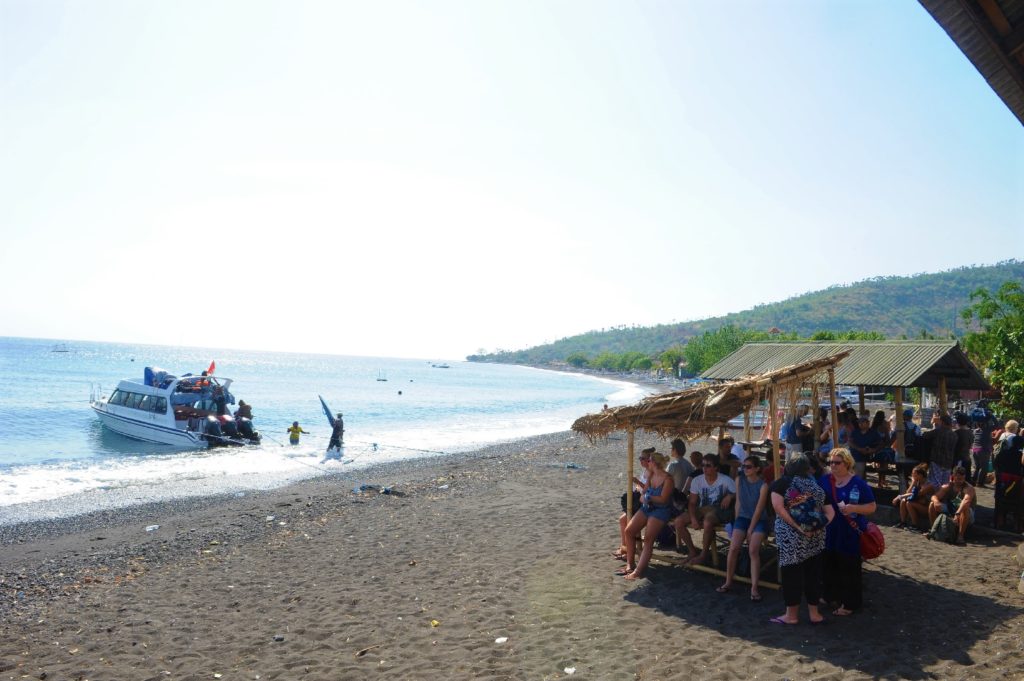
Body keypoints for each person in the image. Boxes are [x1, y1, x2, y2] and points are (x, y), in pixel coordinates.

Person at [769, 454, 834, 625]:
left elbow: (779, 508)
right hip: (815, 537)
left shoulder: (781, 484)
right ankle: (814, 614)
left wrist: (798, 527)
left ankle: (791, 616)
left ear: (788, 467)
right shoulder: (816, 487)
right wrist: (818, 527)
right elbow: (831, 512)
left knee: (791, 575)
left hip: (790, 538)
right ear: (807, 469)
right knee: (813, 575)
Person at [823, 447, 877, 617]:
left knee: (849, 568)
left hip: (849, 532)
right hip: (830, 531)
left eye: (836, 462)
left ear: (847, 463)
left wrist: (854, 508)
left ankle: (850, 604)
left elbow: (872, 507)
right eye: (830, 462)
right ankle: (831, 596)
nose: (832, 465)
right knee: (829, 565)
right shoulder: (825, 480)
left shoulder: (858, 484)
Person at [718, 454, 769, 601]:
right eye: (743, 466)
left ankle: (754, 588)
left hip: (759, 519)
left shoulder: (763, 486)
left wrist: (750, 530)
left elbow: (759, 509)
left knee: (753, 550)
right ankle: (728, 581)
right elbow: (738, 503)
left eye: (748, 467)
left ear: (757, 469)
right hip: (743, 517)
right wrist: (736, 524)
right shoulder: (739, 480)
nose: (745, 469)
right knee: (733, 548)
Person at [620, 452, 674, 580]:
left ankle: (638, 571)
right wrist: (643, 497)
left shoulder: (668, 479)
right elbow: (643, 493)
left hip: (661, 510)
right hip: (647, 507)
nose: (646, 462)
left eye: (648, 460)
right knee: (629, 531)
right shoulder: (651, 475)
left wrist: (648, 498)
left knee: (649, 539)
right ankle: (630, 564)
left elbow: (663, 499)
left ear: (654, 462)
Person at [678, 453, 736, 565]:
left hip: (719, 510)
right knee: (678, 522)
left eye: (708, 465)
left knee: (708, 522)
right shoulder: (697, 480)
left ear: (716, 468)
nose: (704, 468)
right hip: (703, 508)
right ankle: (692, 551)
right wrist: (693, 518)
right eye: (703, 465)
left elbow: (738, 493)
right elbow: (692, 502)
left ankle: (703, 554)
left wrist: (730, 496)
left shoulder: (726, 480)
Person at [614, 448, 654, 560]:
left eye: (642, 458)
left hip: (645, 503)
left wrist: (638, 483)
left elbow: (650, 490)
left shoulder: (652, 473)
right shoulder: (645, 471)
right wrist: (637, 487)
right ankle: (624, 547)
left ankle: (627, 550)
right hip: (639, 500)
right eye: (640, 458)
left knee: (625, 520)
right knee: (622, 519)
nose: (640, 460)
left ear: (649, 460)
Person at [927, 466, 976, 544]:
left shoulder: (968, 488)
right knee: (932, 504)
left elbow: (966, 501)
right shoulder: (948, 486)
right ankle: (934, 531)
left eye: (962, 479)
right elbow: (934, 496)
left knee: (965, 508)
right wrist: (936, 502)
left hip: (966, 514)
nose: (960, 481)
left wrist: (958, 513)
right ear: (953, 476)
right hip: (951, 510)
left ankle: (960, 536)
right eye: (958, 478)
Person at [993, 420, 1024, 532]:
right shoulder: (1020, 454)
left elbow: (997, 462)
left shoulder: (1004, 449)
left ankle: (999, 521)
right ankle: (1017, 524)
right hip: (1016, 479)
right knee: (1017, 501)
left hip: (1003, 476)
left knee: (1000, 498)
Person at [893, 463, 934, 530]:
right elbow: (908, 493)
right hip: (919, 503)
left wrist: (899, 497)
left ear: (920, 475)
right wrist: (913, 482)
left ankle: (915, 525)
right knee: (903, 501)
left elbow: (915, 495)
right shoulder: (917, 482)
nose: (912, 476)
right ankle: (903, 522)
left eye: (914, 474)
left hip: (927, 508)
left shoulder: (928, 485)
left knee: (909, 503)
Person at [923, 412, 958, 488]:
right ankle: (942, 495)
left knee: (934, 482)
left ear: (942, 422)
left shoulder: (938, 431)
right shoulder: (954, 435)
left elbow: (925, 435)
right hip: (948, 462)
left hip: (937, 461)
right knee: (945, 484)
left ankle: (935, 495)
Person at [848, 416, 881, 480]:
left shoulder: (873, 432)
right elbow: (850, 442)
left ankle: (857, 483)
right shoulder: (855, 432)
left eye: (862, 422)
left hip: (867, 455)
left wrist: (874, 450)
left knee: (859, 470)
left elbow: (881, 443)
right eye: (859, 422)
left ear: (868, 423)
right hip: (854, 454)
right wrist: (859, 449)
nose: (860, 424)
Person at [871, 410, 895, 489]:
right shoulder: (884, 427)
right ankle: (881, 481)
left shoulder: (873, 427)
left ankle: (880, 482)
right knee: (884, 463)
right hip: (882, 449)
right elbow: (888, 440)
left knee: (880, 463)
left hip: (874, 450)